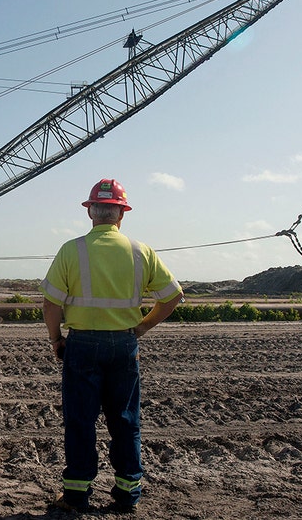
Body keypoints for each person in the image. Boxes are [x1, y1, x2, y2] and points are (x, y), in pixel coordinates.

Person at [40, 178, 182, 513]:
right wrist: (143, 326)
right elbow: (174, 296)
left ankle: (76, 495)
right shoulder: (141, 251)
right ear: (121, 215)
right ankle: (127, 495)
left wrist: (56, 339)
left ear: (91, 212)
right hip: (123, 345)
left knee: (80, 420)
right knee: (125, 420)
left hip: (83, 344)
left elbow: (50, 305)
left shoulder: (71, 250)